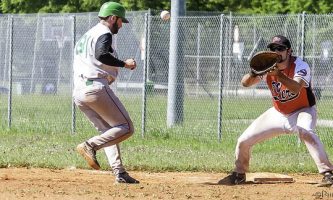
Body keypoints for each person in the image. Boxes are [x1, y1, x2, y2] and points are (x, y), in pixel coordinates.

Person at [222, 35, 333, 186]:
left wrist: (278, 75)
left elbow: (296, 88)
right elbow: (245, 83)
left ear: (289, 51)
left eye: (280, 48)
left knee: (305, 130)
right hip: (279, 113)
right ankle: (239, 174)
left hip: (303, 110)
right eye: (273, 48)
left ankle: (328, 174)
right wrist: (254, 73)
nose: (276, 51)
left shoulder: (300, 65)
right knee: (243, 140)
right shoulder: (269, 66)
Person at [72, 1, 139, 184]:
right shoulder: (104, 32)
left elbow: (95, 57)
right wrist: (124, 64)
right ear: (112, 18)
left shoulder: (87, 35)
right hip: (95, 88)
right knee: (126, 127)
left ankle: (120, 173)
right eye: (119, 21)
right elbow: (101, 54)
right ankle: (89, 145)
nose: (121, 25)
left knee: (109, 131)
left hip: (79, 91)